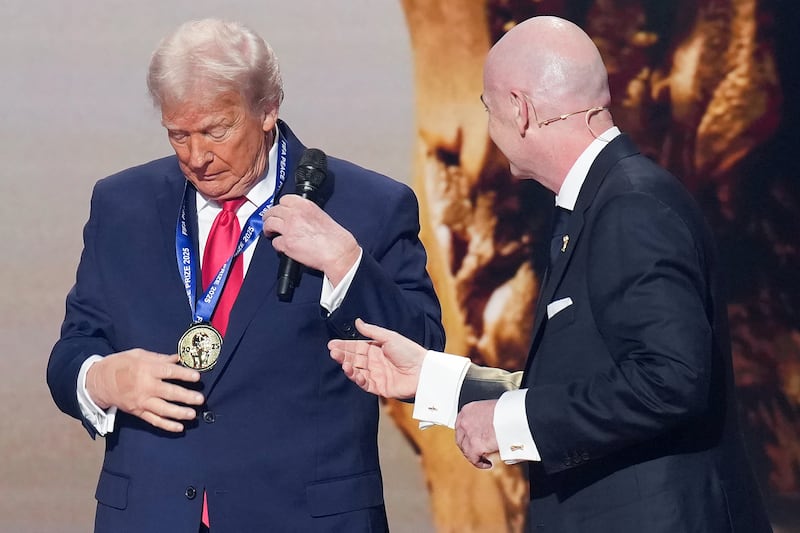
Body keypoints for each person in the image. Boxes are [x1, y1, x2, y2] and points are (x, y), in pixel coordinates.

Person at [328, 15, 772, 532]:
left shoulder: (631, 206)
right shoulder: (599, 203)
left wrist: (511, 424)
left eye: (487, 108)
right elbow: (588, 384)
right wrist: (435, 380)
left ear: (520, 110)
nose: (486, 128)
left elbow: (669, 381)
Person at [47, 18, 444, 533]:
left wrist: (347, 264)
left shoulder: (367, 206)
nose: (197, 157)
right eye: (178, 134)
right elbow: (73, 349)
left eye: (216, 130)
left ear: (267, 109)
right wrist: (101, 380)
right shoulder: (122, 204)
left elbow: (423, 351)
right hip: (149, 514)